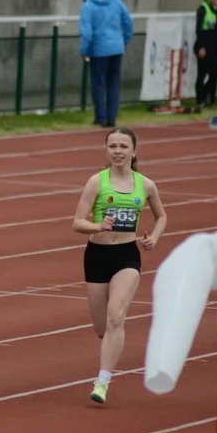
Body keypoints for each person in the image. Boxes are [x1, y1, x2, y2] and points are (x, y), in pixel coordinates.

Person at [71, 127, 167, 405]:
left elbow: (161, 216)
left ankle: (102, 381)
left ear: (134, 152)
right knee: (102, 328)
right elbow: (77, 222)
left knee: (116, 317)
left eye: (124, 146)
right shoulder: (96, 182)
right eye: (112, 146)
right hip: (97, 255)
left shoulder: (145, 185)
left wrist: (154, 239)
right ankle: (113, 343)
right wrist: (97, 225)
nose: (118, 151)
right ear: (107, 150)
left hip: (126, 256)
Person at [79, 0, 134, 127]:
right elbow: (128, 20)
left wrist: (84, 50)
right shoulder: (115, 1)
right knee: (112, 83)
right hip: (116, 47)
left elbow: (86, 32)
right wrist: (125, 40)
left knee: (98, 83)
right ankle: (112, 117)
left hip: (99, 49)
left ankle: (100, 117)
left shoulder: (88, 6)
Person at [194, 0, 217, 109]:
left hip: (215, 45)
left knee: (215, 74)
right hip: (204, 44)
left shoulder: (215, 9)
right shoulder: (203, 9)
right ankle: (200, 99)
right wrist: (201, 46)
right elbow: (199, 28)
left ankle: (206, 95)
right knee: (202, 74)